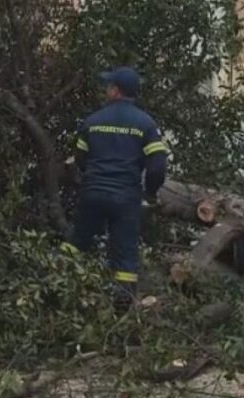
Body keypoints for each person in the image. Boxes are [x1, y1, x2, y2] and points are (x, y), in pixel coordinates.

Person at [65, 66, 168, 307]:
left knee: (77, 242)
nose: (105, 90)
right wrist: (150, 193)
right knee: (124, 253)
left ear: (115, 91)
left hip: (92, 193)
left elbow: (80, 158)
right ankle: (123, 306)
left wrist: (91, 176)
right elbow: (157, 167)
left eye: (108, 86)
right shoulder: (146, 124)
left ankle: (62, 286)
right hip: (125, 198)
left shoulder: (92, 121)